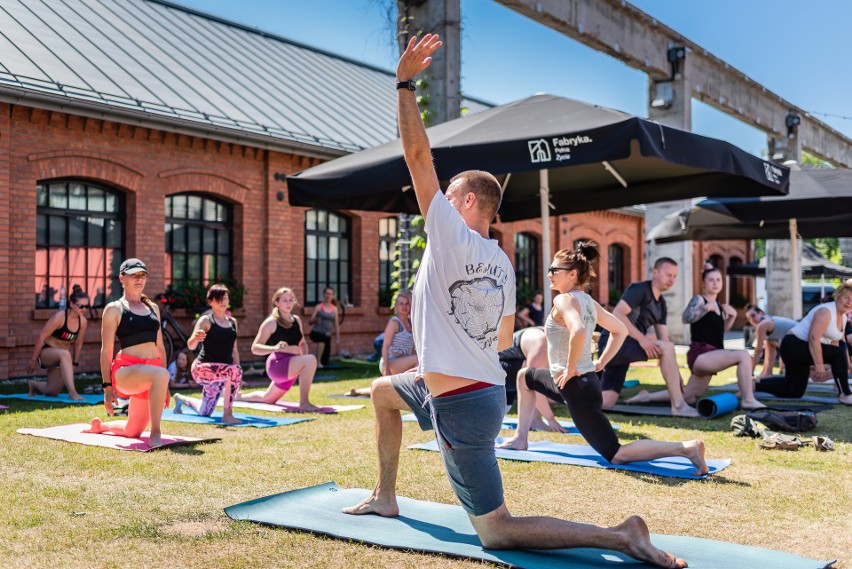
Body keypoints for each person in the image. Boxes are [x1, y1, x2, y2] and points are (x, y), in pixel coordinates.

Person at [342, 35, 686, 569]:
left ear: (467, 202)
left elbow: (415, 155)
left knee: (496, 531)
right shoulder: (501, 260)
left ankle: (621, 536)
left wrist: (405, 84)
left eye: (448, 196)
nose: (436, 203)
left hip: (460, 403)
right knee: (383, 391)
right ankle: (386, 495)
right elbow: (502, 338)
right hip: (464, 385)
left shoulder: (450, 232)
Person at [497, 244, 708, 475]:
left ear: (573, 274)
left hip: (576, 387)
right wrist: (601, 363)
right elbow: (620, 330)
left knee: (617, 453)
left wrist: (569, 369)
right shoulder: (589, 301)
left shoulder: (564, 300)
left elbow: (578, 331)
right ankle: (521, 438)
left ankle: (687, 449)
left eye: (554, 269)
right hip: (585, 383)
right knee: (524, 377)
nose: (549, 274)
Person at [627, 266, 765, 410]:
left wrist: (732, 316)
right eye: (711, 280)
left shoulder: (718, 305)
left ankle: (646, 397)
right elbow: (686, 318)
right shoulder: (700, 299)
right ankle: (748, 399)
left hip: (713, 355)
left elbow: (719, 331)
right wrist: (705, 308)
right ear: (704, 283)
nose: (715, 283)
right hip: (701, 354)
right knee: (743, 355)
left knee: (689, 396)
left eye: (718, 280)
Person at [597, 258, 699, 417]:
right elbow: (617, 313)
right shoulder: (640, 289)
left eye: (674, 276)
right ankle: (678, 406)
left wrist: (677, 377)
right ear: (656, 272)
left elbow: (665, 341)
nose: (671, 280)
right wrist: (643, 340)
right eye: (668, 275)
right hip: (612, 344)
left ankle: (560, 398)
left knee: (607, 402)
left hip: (625, 348)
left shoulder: (661, 304)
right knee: (667, 347)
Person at [85, 259, 170, 449]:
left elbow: (160, 349)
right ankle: (156, 433)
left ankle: (100, 426)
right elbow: (106, 351)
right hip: (126, 372)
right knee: (161, 375)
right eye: (133, 275)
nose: (139, 279)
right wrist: (107, 388)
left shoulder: (153, 308)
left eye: (142, 275)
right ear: (122, 278)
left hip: (152, 374)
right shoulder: (114, 309)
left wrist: (164, 385)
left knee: (133, 431)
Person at [756, 279, 852, 405]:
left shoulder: (844, 318)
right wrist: (819, 366)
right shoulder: (825, 311)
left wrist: (845, 365)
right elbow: (813, 338)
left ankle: (756, 385)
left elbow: (836, 344)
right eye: (846, 297)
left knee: (793, 391)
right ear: (838, 296)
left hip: (802, 349)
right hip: (794, 346)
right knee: (838, 353)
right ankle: (845, 393)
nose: (849, 302)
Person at [238, 287, 321, 411]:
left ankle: (238, 397)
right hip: (278, 365)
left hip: (292, 365)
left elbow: (302, 343)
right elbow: (255, 348)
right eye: (285, 300)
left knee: (267, 399)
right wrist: (274, 348)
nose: (289, 303)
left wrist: (303, 359)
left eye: (291, 300)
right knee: (311, 359)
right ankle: (304, 403)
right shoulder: (271, 322)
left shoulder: (296, 320)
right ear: (276, 303)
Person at [174, 284, 243, 425]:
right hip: (202, 370)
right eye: (219, 299)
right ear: (210, 301)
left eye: (225, 298)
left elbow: (234, 349)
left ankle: (180, 398)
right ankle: (227, 415)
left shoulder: (232, 322)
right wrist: (196, 338)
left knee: (204, 411)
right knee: (234, 371)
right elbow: (190, 345)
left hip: (224, 372)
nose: (223, 302)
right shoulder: (206, 320)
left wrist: (238, 374)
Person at [499, 326, 567, 432]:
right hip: (491, 373)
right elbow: (533, 385)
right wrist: (551, 419)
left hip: (506, 384)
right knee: (535, 375)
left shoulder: (556, 342)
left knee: (540, 371)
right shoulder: (541, 344)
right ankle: (534, 420)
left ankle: (534, 420)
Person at [26, 288, 90, 400]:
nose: (84, 309)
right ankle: (72, 393)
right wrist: (33, 360)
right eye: (81, 306)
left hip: (62, 358)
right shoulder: (60, 317)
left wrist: (75, 363)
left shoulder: (83, 322)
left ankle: (33, 385)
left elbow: (78, 343)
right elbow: (41, 338)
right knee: (65, 354)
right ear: (71, 304)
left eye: (86, 306)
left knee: (52, 391)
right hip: (46, 353)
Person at [745, 305, 798, 378]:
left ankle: (771, 373)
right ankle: (767, 373)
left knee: (771, 344)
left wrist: (751, 371)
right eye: (749, 318)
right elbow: (771, 350)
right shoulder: (769, 321)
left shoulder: (763, 325)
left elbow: (758, 350)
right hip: (798, 340)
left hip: (801, 341)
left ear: (761, 313)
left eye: (753, 315)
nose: (751, 319)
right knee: (769, 343)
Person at [380, 291, 417, 376]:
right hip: (390, 362)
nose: (404, 306)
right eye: (401, 303)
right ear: (396, 306)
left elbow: (412, 349)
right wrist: (387, 370)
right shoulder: (394, 322)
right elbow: (385, 346)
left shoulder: (411, 323)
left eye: (407, 303)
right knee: (417, 360)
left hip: (404, 361)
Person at [309, 287, 340, 367]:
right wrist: (316, 320)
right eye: (327, 294)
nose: (328, 296)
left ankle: (321, 361)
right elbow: (310, 321)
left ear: (332, 296)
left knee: (325, 361)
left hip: (327, 335)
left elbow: (336, 324)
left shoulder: (335, 309)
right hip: (316, 332)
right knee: (321, 339)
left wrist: (337, 337)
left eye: (330, 294)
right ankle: (317, 363)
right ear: (324, 295)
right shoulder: (319, 307)